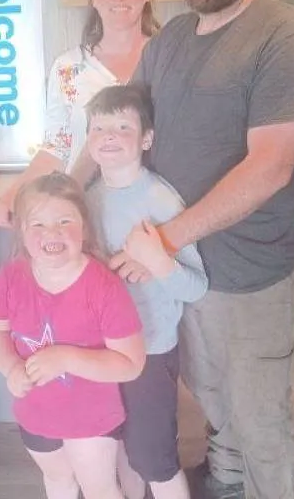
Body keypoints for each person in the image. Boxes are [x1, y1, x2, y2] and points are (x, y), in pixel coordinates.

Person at [127, 0, 294, 498]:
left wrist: (166, 241)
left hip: (249, 270)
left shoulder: (288, 35)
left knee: (259, 415)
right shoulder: (170, 40)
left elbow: (269, 167)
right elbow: (121, 121)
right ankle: (228, 478)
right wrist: (64, 191)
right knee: (211, 389)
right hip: (182, 268)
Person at [0, 173, 145, 499]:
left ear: (84, 226)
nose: (51, 232)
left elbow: (131, 363)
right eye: (37, 224)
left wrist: (65, 358)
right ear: (22, 231)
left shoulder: (104, 287)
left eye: (64, 221)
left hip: (91, 419)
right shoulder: (11, 277)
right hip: (36, 412)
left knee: (99, 490)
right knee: (58, 481)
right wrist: (11, 367)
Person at [85, 86, 208, 499]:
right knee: (121, 446)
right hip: (102, 349)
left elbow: (196, 286)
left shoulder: (161, 200)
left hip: (151, 350)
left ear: (146, 139)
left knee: (154, 457)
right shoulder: (86, 201)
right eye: (99, 127)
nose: (109, 135)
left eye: (123, 126)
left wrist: (157, 261)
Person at [0, 0, 159, 225]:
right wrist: (13, 194)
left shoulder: (169, 59)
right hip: (86, 216)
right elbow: (56, 149)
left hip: (154, 217)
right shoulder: (68, 69)